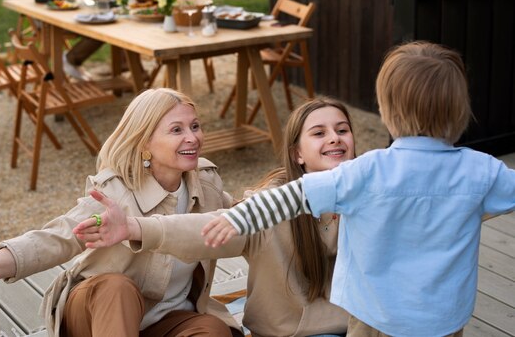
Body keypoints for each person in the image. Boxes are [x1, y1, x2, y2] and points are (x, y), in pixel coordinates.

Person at [202, 41, 515, 337]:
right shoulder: (482, 170)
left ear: (386, 110)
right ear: (461, 110)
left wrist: (239, 218)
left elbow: (291, 196)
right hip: (445, 319)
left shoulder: (367, 170)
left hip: (375, 318)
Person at [0, 88, 240, 337]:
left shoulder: (206, 183)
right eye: (177, 130)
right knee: (117, 288)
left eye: (195, 126)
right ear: (144, 144)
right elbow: (55, 238)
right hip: (96, 315)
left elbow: (242, 217)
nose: (193, 138)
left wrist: (284, 196)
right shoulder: (115, 192)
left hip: (165, 321)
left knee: (212, 329)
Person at [74, 97, 354, 337]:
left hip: (360, 327)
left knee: (213, 329)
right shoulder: (269, 206)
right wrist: (136, 228)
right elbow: (211, 227)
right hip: (104, 312)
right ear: (297, 154)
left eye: (342, 130)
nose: (334, 137)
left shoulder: (371, 193)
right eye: (319, 133)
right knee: (117, 287)